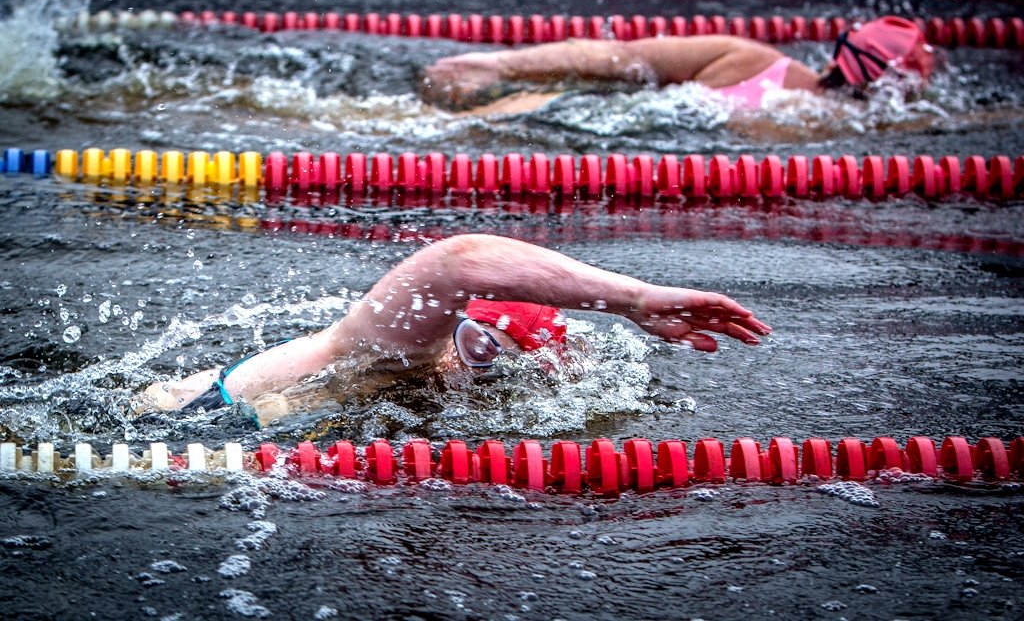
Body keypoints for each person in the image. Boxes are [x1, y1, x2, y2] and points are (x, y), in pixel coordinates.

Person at [136, 234, 771, 427]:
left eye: (496, 364)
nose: (472, 368)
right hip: (157, 435)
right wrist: (631, 297)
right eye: (476, 346)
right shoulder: (390, 351)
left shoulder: (456, 410)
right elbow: (458, 262)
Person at [420, 15, 936, 114]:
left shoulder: (750, 59)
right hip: (606, 125)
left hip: (579, 114)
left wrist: (498, 64)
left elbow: (613, 59)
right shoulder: (857, 140)